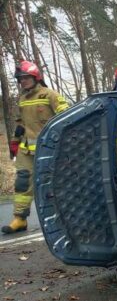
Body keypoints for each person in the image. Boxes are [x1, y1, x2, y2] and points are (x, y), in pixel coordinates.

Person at [2, 61, 69, 234]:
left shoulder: (50, 95)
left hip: (48, 150)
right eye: (20, 79)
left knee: (51, 184)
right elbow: (20, 123)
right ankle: (20, 219)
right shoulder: (22, 99)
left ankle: (61, 219)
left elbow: (67, 117)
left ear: (35, 77)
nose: (22, 81)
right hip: (26, 151)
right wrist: (15, 142)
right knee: (22, 183)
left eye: (25, 78)